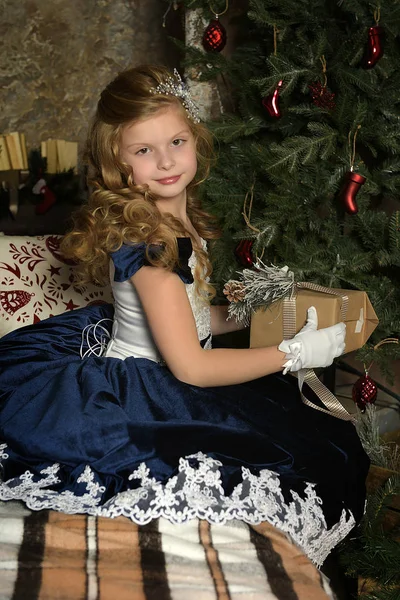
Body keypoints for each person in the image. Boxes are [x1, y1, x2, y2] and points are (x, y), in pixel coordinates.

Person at [0, 65, 369, 567]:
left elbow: (193, 320)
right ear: (117, 162)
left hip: (169, 367)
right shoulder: (153, 244)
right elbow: (191, 367)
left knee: (305, 437)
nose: (167, 161)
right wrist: (296, 353)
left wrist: (248, 314)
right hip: (143, 389)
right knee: (295, 453)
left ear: (195, 138)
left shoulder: (174, 216)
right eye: (143, 150)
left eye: (176, 141)